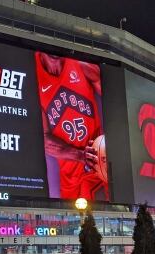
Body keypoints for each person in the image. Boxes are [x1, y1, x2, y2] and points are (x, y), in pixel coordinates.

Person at [36, 53, 107, 200]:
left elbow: (115, 100)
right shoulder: (32, 75)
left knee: (111, 216)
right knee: (74, 221)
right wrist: (80, 155)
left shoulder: (81, 63)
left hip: (99, 165)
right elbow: (44, 140)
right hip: (70, 177)